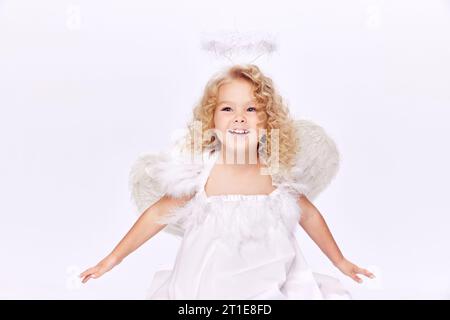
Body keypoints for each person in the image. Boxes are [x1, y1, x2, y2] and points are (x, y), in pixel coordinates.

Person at [80, 64, 375, 299]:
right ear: (211, 121)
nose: (239, 118)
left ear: (268, 122)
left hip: (266, 284)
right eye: (227, 109)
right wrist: (112, 259)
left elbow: (309, 215)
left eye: (251, 109)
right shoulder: (201, 173)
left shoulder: (275, 175)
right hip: (207, 287)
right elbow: (157, 214)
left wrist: (340, 261)